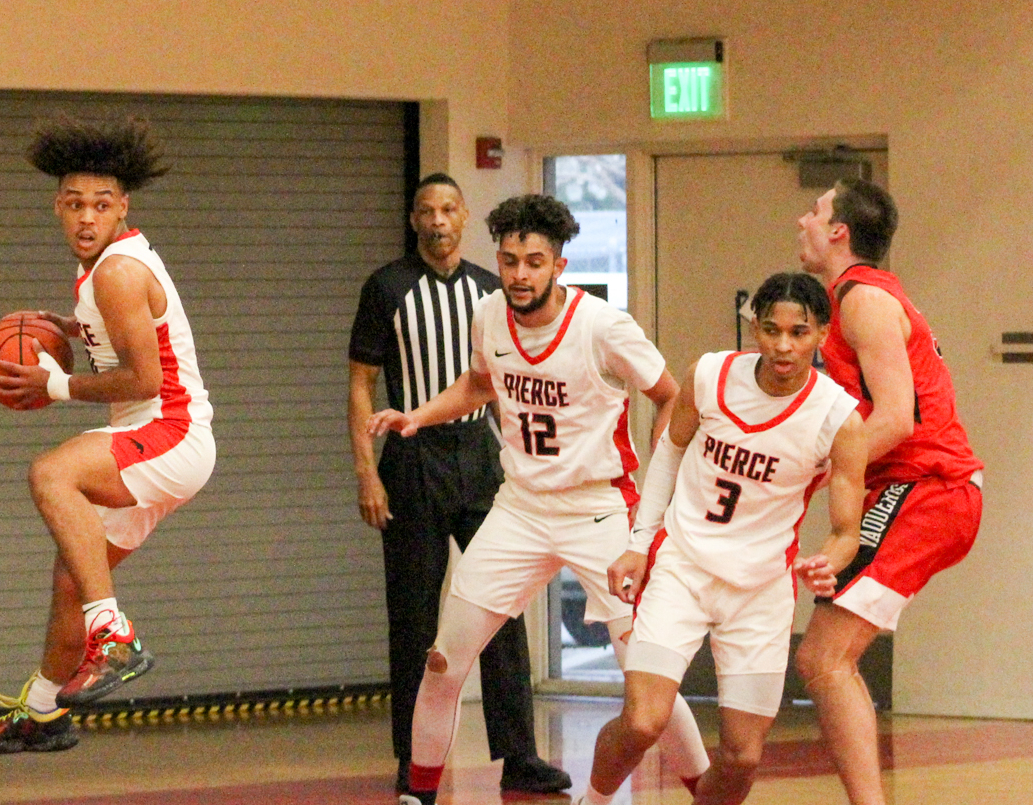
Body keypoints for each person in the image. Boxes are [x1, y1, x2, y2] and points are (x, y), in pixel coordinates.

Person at [367, 193, 711, 805]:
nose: (519, 274)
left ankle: (708, 793)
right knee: (444, 661)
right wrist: (419, 416)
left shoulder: (603, 326)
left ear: (559, 265)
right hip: (520, 508)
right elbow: (478, 383)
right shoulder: (489, 313)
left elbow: (672, 396)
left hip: (599, 509)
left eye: (532, 262)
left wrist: (663, 476)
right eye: (508, 261)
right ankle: (416, 796)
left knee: (647, 680)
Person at [0, 116, 215, 755]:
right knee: (74, 578)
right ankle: (43, 714)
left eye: (100, 204)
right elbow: (138, 338)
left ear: (122, 207)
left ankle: (116, 636)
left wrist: (56, 387)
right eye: (74, 203)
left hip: (170, 430)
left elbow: (145, 377)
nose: (85, 216)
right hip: (157, 435)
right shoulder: (102, 270)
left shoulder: (115, 273)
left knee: (52, 473)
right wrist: (76, 330)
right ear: (58, 206)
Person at [578, 272, 867, 805]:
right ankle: (590, 801)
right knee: (643, 721)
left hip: (760, 589)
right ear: (753, 327)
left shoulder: (838, 418)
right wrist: (640, 544)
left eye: (799, 332)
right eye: (771, 330)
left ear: (823, 335)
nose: (783, 346)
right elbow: (670, 451)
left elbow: (847, 530)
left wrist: (828, 561)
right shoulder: (709, 374)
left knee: (742, 758)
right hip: (682, 567)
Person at [348, 174, 570, 796]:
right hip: (412, 456)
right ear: (414, 219)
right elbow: (360, 384)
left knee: (501, 607)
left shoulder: (489, 288)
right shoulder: (386, 287)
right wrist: (367, 470)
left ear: (464, 215)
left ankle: (519, 754)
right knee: (413, 616)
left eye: (448, 209)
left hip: (481, 454)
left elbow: (506, 382)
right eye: (426, 210)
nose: (437, 220)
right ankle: (411, 760)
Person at [795, 180, 984, 805]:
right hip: (914, 490)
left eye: (816, 211)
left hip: (929, 488)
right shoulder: (854, 298)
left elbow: (897, 419)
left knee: (824, 659)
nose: (805, 219)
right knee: (824, 660)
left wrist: (804, 469)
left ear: (840, 230)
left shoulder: (863, 301)